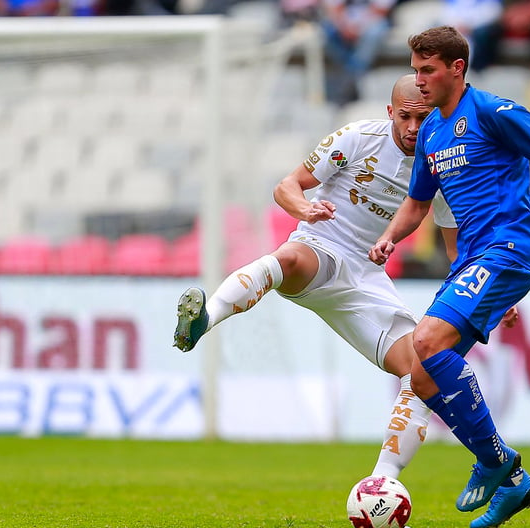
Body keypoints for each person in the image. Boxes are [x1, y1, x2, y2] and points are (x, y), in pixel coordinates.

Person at [173, 75, 458, 482]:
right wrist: (305, 210)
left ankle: (383, 483)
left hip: (367, 279)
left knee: (423, 369)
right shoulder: (358, 138)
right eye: (406, 118)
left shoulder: (443, 166)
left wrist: (493, 297)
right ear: (390, 112)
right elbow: (287, 186)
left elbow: (454, 249)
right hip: (320, 248)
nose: (414, 128)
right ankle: (207, 318)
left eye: (424, 118)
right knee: (286, 259)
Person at [368, 25, 530, 528]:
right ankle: (513, 481)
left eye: (428, 70)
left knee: (425, 337)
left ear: (457, 69)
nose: (419, 80)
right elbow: (419, 203)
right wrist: (390, 238)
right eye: (416, 70)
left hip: (509, 248)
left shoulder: (492, 111)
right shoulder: (433, 135)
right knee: (421, 375)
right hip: (474, 264)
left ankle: (495, 462)